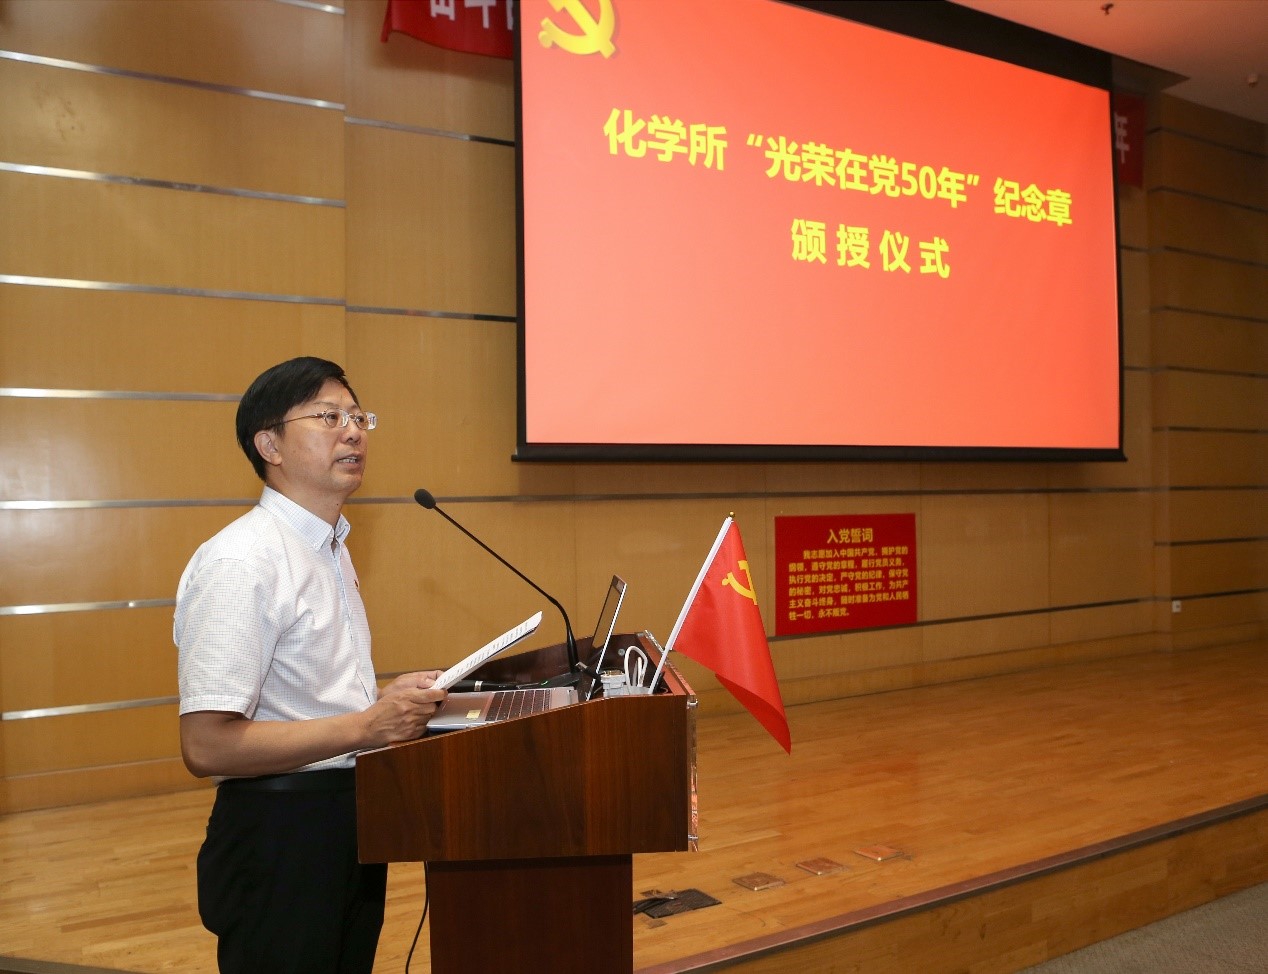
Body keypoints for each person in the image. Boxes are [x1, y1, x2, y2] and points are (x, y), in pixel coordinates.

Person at [174, 356, 446, 974]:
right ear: (269, 444)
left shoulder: (328, 547)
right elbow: (206, 746)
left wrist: (380, 701)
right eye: (328, 417)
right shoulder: (243, 561)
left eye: (358, 417)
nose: (353, 432)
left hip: (348, 815)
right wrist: (368, 725)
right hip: (281, 833)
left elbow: (301, 694)